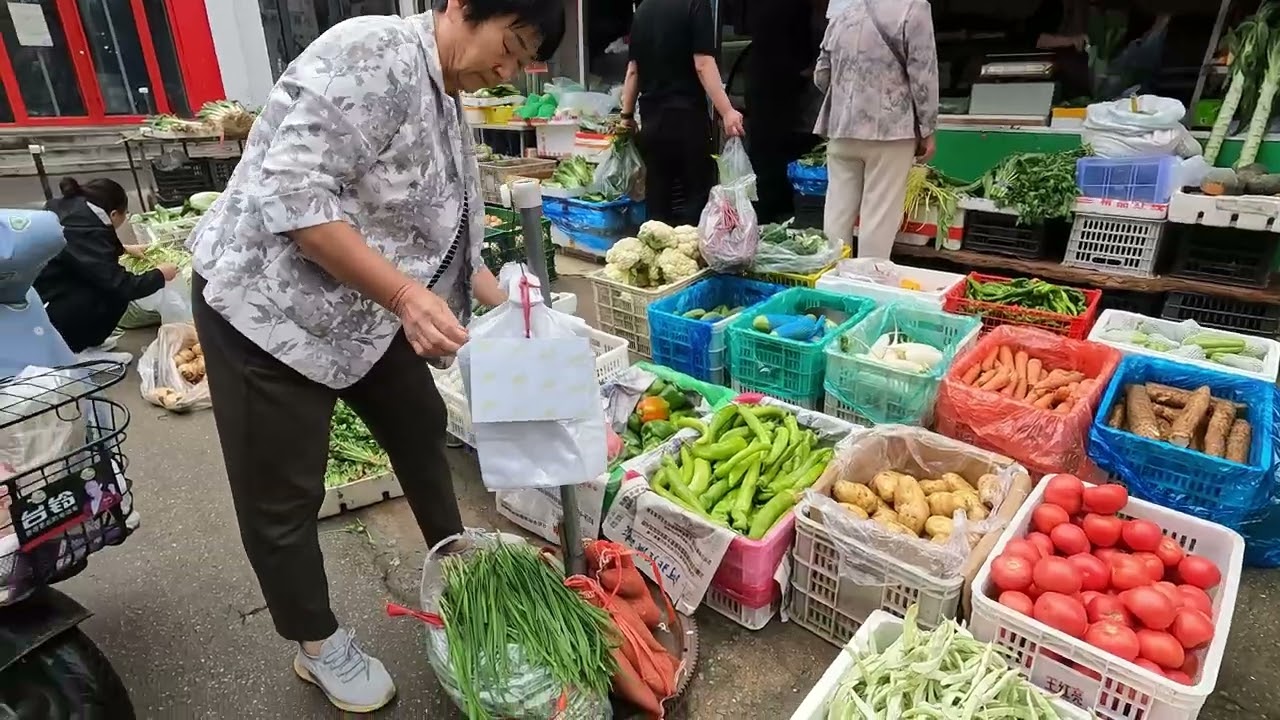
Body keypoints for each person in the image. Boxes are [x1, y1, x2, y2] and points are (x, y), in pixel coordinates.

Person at [184, 0, 562, 712]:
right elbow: (291, 195)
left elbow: (439, 225)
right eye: (508, 47)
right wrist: (403, 298)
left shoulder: (445, 89)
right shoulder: (373, 51)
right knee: (282, 494)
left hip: (361, 308)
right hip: (270, 310)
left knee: (418, 422)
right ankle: (317, 643)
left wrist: (501, 292)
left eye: (522, 62)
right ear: (459, 8)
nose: (506, 72)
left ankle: (457, 565)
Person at [815, 0, 938, 259]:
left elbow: (821, 74)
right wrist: (927, 128)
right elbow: (923, 75)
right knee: (879, 215)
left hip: (842, 131)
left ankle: (833, 281)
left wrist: (849, 97)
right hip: (891, 131)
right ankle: (868, 284)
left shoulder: (843, 12)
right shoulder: (914, 8)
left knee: (837, 212)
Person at [622, 0, 744, 227]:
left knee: (658, 201)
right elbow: (703, 63)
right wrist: (727, 111)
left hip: (652, 122)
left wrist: (626, 116)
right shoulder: (696, 4)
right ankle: (693, 257)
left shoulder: (643, 10)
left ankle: (657, 257)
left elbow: (633, 70)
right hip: (687, 120)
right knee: (695, 201)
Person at [33, 178, 178, 353]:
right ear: (114, 214)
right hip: (53, 304)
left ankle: (86, 342)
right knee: (113, 295)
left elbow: (79, 251)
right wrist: (160, 275)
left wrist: (123, 249)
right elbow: (120, 284)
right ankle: (76, 349)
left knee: (104, 290)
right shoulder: (85, 229)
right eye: (126, 214)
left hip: (49, 291)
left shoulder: (72, 210)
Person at [744, 0, 823, 223]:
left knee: (763, 161)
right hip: (785, 92)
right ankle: (777, 217)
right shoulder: (796, 9)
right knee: (777, 161)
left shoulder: (760, 9)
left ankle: (762, 221)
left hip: (763, 89)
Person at [1024, 0, 1165, 100]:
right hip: (1067, 81)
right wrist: (1070, 41)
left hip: (1115, 83)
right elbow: (1033, 38)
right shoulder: (1056, 6)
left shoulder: (1130, 12)